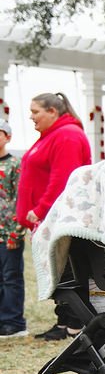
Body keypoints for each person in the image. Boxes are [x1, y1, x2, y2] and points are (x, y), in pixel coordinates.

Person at [16, 92, 92, 341]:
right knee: (58, 272)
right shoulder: (52, 136)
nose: (31, 116)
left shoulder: (67, 135)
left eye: (35, 111)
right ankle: (64, 321)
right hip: (48, 220)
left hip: (59, 219)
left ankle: (75, 324)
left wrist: (40, 209)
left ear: (52, 112)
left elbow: (63, 179)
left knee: (68, 270)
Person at [0, 120, 27, 338]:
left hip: (8, 233)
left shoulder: (15, 165)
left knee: (11, 277)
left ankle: (14, 321)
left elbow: (20, 200)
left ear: (8, 137)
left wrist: (17, 231)